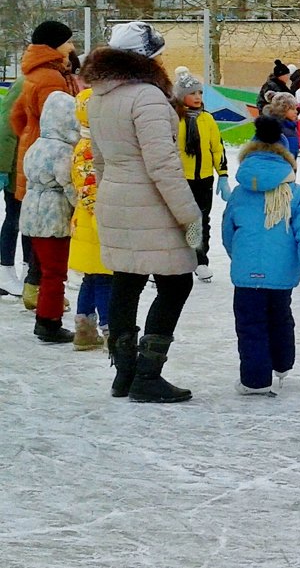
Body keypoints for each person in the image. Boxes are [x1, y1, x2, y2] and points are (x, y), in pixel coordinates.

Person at [82, 21, 203, 404]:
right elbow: (162, 165)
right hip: (150, 202)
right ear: (145, 57)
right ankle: (147, 374)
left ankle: (124, 373)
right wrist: (189, 216)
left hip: (117, 199)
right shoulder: (147, 97)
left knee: (126, 280)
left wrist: (111, 195)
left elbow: (99, 160)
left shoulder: (100, 96)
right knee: (176, 282)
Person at [222, 116, 300, 396]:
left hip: (246, 277)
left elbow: (228, 231)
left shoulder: (240, 194)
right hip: (281, 274)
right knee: (280, 317)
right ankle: (281, 363)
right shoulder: (296, 193)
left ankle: (255, 381)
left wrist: (239, 257)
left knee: (250, 325)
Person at [11, 20, 79, 307]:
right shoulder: (51, 78)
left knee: (41, 229)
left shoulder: (36, 73)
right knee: (52, 229)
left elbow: (16, 116)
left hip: (35, 151)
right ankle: (40, 291)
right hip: (53, 158)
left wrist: (30, 136)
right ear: (54, 45)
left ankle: (35, 287)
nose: (72, 46)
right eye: (68, 41)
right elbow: (60, 116)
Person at [20, 91, 79, 343]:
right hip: (53, 215)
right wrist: (84, 206)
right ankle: (49, 321)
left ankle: (46, 317)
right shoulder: (62, 150)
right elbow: (69, 185)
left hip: (33, 212)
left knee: (45, 268)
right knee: (55, 272)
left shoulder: (37, 145)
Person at [174, 68, 230, 283]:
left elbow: (217, 148)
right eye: (192, 93)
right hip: (180, 179)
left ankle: (200, 260)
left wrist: (223, 175)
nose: (197, 97)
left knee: (200, 221)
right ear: (181, 96)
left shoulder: (207, 119)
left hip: (204, 179)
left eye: (200, 93)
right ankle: (177, 261)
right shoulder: (174, 119)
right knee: (179, 221)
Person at [68, 88, 112, 350]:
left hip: (84, 222)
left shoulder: (86, 143)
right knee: (106, 277)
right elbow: (90, 190)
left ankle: (84, 329)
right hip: (94, 222)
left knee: (92, 277)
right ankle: (110, 331)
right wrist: (104, 220)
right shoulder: (89, 148)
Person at [0, 73, 32, 299]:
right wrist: (3, 166)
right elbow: (6, 125)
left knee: (30, 221)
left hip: (31, 162)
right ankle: (5, 270)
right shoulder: (25, 83)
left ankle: (27, 272)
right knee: (14, 218)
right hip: (17, 164)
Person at [263, 91, 300, 159]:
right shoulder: (274, 128)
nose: (296, 111)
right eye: (292, 109)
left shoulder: (291, 126)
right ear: (282, 109)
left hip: (290, 165)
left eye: (296, 108)